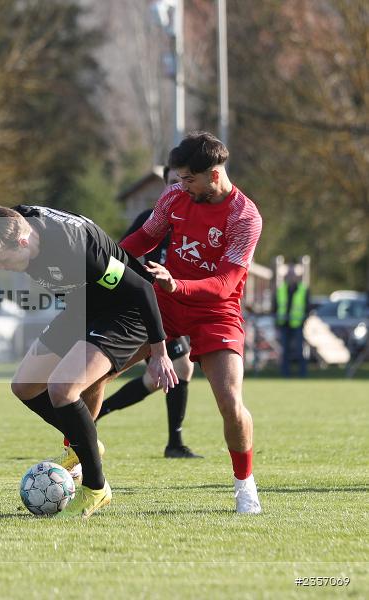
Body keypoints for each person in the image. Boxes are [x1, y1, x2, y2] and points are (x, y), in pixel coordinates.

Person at [0, 205, 178, 518]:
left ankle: (97, 489)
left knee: (62, 389)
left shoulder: (76, 246)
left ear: (24, 242)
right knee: (25, 385)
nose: (1, 268)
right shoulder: (6, 224)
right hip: (82, 307)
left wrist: (159, 353)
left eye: (4, 261)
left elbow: (140, 289)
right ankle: (87, 445)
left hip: (124, 313)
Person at [121, 131, 263, 514]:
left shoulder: (245, 217)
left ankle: (244, 485)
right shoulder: (174, 196)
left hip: (215, 312)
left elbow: (225, 284)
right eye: (179, 178)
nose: (180, 186)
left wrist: (176, 282)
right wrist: (108, 258)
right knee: (99, 369)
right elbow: (146, 238)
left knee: (231, 402)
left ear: (214, 176)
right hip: (165, 305)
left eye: (189, 179)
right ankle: (81, 462)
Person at [97, 166, 202, 459]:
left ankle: (95, 412)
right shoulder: (151, 219)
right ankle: (173, 443)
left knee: (167, 374)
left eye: (182, 182)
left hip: (173, 307)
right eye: (171, 183)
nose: (177, 188)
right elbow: (121, 254)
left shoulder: (193, 219)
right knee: (175, 368)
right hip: (147, 307)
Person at [274, 264, 309, 378]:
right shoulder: (280, 289)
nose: (290, 276)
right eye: (289, 274)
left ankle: (302, 374)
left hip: (297, 324)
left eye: (293, 274)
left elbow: (307, 308)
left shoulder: (303, 290)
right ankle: (285, 374)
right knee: (285, 352)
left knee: (300, 350)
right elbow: (275, 307)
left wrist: (303, 321)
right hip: (284, 324)